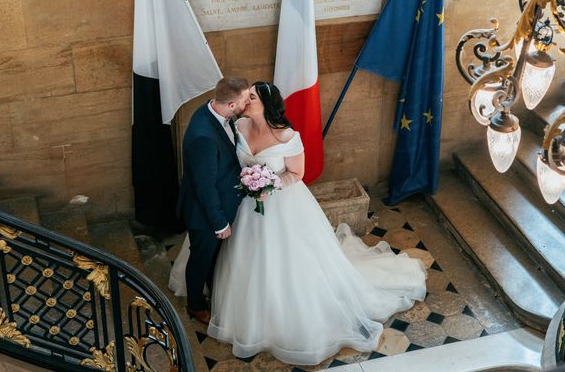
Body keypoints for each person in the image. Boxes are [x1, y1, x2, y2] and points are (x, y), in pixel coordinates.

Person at [170, 82, 426, 365]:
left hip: (280, 207)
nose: (245, 101)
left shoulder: (288, 137)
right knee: (235, 256)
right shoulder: (238, 126)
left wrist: (269, 185)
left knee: (284, 263)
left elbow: (297, 173)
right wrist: (248, 185)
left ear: (266, 103)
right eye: (245, 97)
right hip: (240, 206)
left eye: (251, 97)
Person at [172, 76, 250, 325]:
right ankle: (196, 305)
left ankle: (213, 290)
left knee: (213, 258)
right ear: (230, 105)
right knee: (201, 258)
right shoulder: (203, 136)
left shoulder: (214, 109)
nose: (247, 103)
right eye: (245, 100)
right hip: (204, 214)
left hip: (220, 202)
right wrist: (219, 223)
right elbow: (205, 187)